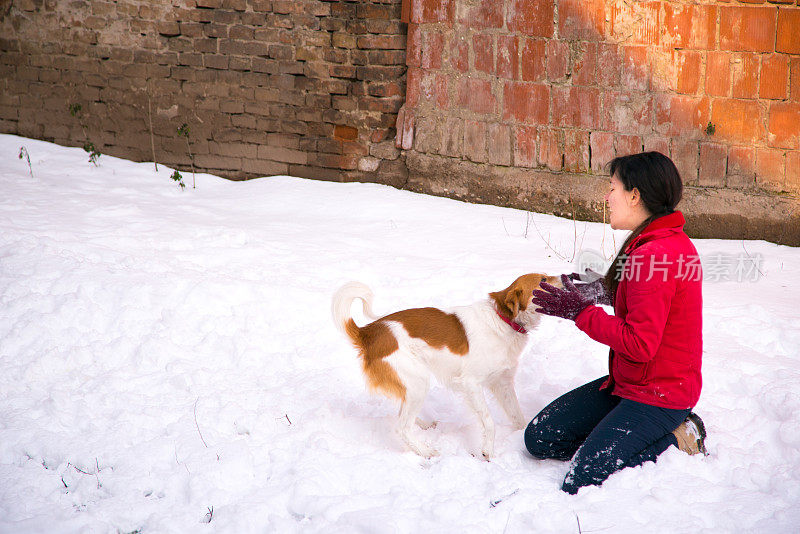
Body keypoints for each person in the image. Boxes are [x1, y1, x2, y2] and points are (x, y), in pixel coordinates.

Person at [525, 151, 707, 495]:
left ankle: (681, 436)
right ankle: (617, 435)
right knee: (541, 437)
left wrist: (580, 311)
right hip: (629, 384)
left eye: (612, 188)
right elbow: (643, 297)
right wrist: (596, 290)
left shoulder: (655, 253)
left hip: (660, 395)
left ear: (635, 195)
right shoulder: (656, 241)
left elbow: (640, 344)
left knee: (582, 478)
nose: (607, 197)